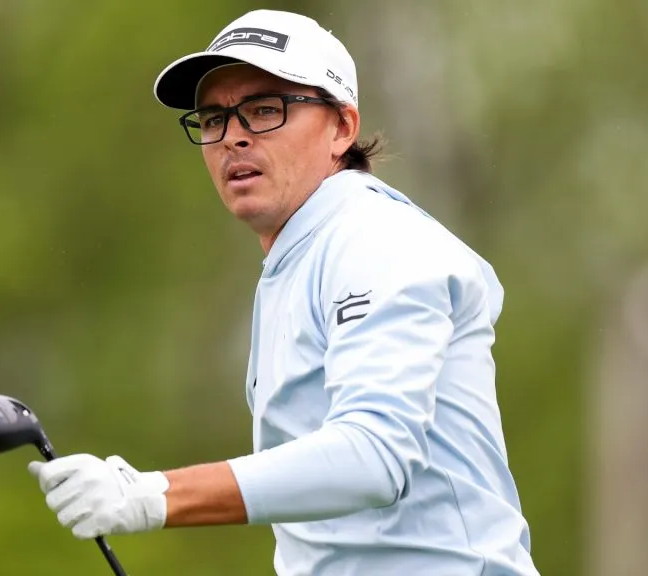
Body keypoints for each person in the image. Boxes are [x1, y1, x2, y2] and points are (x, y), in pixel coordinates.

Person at [28, 9, 539, 575]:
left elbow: (373, 457)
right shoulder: (300, 254)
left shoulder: (375, 239)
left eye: (266, 110)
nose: (233, 136)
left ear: (342, 127)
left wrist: (152, 496)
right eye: (214, 117)